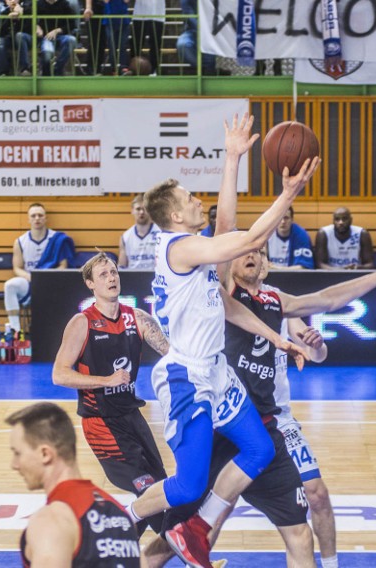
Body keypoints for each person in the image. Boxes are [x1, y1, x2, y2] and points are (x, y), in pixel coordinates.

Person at [126, 114, 320, 568]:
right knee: (189, 485)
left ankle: (195, 529)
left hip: (217, 371)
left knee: (260, 448)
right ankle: (123, 515)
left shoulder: (196, 250)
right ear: (175, 215)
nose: (200, 203)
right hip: (187, 376)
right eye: (191, 199)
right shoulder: (180, 247)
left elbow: (229, 274)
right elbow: (248, 236)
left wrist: (232, 158)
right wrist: (287, 195)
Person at [212, 167, 376, 568]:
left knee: (317, 495)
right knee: (214, 503)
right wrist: (262, 179)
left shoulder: (277, 301)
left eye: (258, 251)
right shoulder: (223, 294)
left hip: (276, 418)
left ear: (267, 265)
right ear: (230, 264)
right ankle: (196, 556)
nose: (252, 254)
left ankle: (332, 562)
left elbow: (327, 301)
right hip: (230, 416)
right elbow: (225, 229)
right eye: (244, 252)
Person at [52, 252, 170, 538]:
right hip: (101, 422)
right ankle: (195, 559)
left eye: (114, 272)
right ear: (90, 284)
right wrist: (106, 380)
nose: (111, 278)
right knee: (149, 489)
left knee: (164, 491)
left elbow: (171, 352)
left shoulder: (137, 318)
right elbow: (59, 375)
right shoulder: (82, 322)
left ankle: (120, 548)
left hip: (132, 417)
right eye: (103, 274)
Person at [6, 401, 145, 567]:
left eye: (17, 453)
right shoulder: (120, 515)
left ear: (45, 453)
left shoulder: (52, 521)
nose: (14, 464)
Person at [5, 203, 74, 332]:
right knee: (10, 285)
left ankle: (57, 331)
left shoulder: (57, 239)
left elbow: (63, 266)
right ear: (28, 219)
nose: (37, 218)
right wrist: (31, 277)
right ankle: (15, 330)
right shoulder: (20, 241)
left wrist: (45, 277)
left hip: (52, 281)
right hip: (30, 281)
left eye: (40, 215)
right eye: (33, 215)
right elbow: (17, 268)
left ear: (45, 218)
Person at [118, 195, 161, 270]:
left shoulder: (161, 233)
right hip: (133, 279)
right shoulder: (125, 237)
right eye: (138, 209)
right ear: (132, 211)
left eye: (145, 209)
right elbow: (122, 267)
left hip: (155, 278)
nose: (141, 212)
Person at [35, 0, 76, 76]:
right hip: (45, 37)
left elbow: (72, 24)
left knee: (71, 40)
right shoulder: (38, 3)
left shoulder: (64, 4)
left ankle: (58, 69)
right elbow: (30, 20)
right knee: (48, 52)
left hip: (60, 36)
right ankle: (46, 75)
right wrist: (36, 27)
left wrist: (57, 31)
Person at [0, 0, 31, 75]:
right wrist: (9, 19)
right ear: (6, 2)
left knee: (19, 35)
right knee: (0, 42)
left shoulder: (27, 9)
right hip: (10, 38)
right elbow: (0, 33)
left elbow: (29, 29)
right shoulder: (4, 13)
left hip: (25, 38)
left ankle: (25, 69)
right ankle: (3, 72)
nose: (13, 1)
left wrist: (21, 16)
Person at [129, 0, 163, 76]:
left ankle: (153, 69)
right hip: (140, 13)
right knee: (136, 42)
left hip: (157, 13)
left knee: (155, 43)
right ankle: (134, 69)